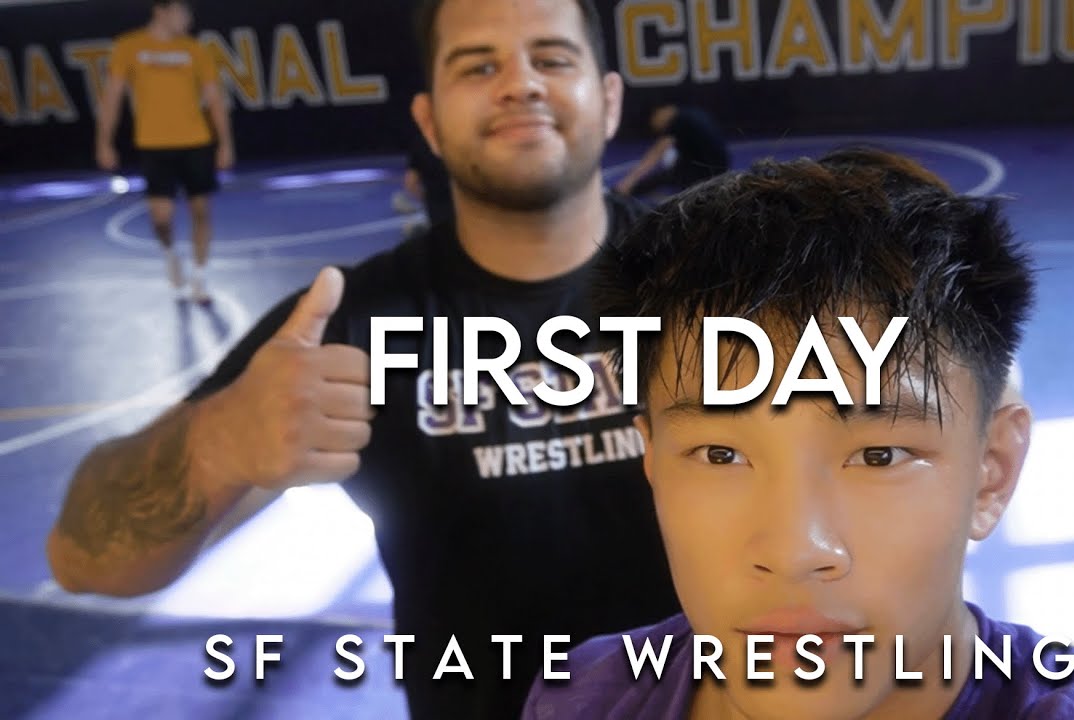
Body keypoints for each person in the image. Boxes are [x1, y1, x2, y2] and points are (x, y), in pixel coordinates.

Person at [47, 0, 679, 717]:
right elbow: (82, 559)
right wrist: (220, 442)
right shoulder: (351, 322)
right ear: (429, 123)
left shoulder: (717, 286)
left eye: (553, 58)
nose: (520, 83)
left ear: (609, 98)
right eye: (478, 65)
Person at [522, 149, 1074, 719]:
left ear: (992, 472)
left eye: (880, 454)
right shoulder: (583, 693)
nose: (797, 551)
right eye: (720, 453)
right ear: (653, 464)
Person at [96, 0, 234, 305]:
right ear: (161, 11)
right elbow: (112, 97)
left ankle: (199, 278)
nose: (187, 18)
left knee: (201, 211)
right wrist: (104, 142)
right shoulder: (128, 46)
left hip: (195, 141)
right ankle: (171, 255)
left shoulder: (196, 50)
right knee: (161, 218)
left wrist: (224, 142)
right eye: (182, 12)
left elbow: (214, 98)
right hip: (154, 145)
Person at [615, 105, 730, 199]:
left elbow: (654, 156)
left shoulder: (678, 121)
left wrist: (628, 181)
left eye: (653, 122)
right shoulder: (691, 114)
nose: (656, 128)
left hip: (707, 173)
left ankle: (627, 192)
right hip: (719, 167)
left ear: (659, 113)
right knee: (673, 166)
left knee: (666, 176)